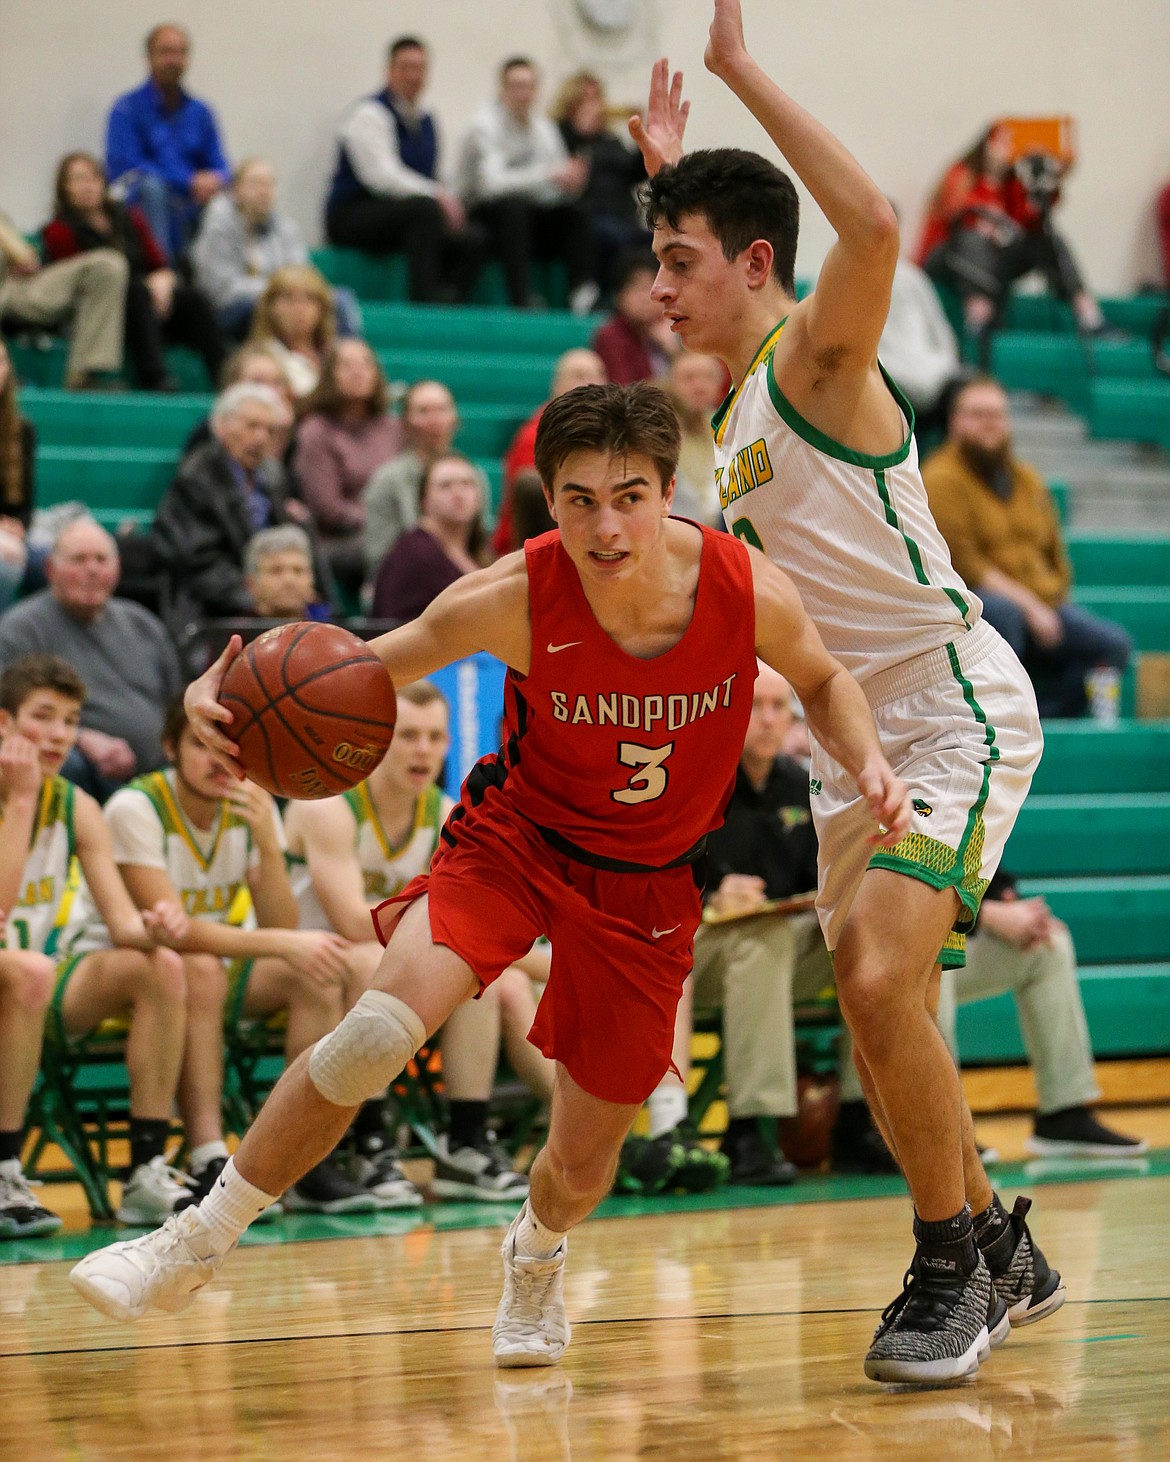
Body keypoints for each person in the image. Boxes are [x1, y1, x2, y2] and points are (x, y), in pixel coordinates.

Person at [69, 380, 913, 1372]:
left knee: (585, 1157)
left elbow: (824, 679)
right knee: (376, 1029)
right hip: (515, 842)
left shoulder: (743, 588)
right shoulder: (511, 594)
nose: (606, 524)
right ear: (546, 500)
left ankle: (536, 1252)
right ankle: (193, 1238)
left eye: (630, 495)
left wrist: (867, 762)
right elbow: (356, 670)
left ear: (669, 491)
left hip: (644, 883)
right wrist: (235, 695)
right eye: (580, 499)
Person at [631, 0, 1060, 1384]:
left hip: (945, 702)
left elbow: (872, 224)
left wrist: (741, 71)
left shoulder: (817, 356)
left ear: (755, 265)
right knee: (885, 1013)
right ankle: (1000, 1244)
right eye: (652, 262)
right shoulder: (737, 408)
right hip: (845, 736)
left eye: (678, 262)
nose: (657, 289)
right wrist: (661, 183)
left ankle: (949, 1264)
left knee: (877, 971)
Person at [67, 694, 371, 1214]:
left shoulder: (250, 806)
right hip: (114, 966)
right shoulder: (134, 807)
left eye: (233, 750)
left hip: (201, 969)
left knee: (316, 973)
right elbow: (174, 934)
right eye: (202, 745)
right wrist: (283, 943)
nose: (220, 761)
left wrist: (268, 846)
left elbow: (280, 923)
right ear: (169, 748)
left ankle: (303, 1158)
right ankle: (210, 1153)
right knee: (201, 967)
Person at [283, 680, 548, 1204]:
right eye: (407, 736)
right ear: (378, 741)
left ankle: (464, 1142)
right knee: (367, 959)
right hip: (303, 966)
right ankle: (373, 1142)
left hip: (372, 972)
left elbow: (468, 924)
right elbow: (356, 923)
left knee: (477, 975)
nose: (422, 750)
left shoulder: (447, 812)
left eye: (434, 737)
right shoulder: (330, 806)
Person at [669, 662, 897, 1184]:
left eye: (780, 707)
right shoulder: (695, 781)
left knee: (870, 936)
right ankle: (749, 1127)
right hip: (693, 956)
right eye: (755, 707)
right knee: (761, 937)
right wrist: (708, 896)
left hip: (772, 953)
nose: (769, 720)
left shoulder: (801, 786)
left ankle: (864, 1118)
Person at [0, 655, 191, 1235]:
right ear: (5, 724)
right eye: (44, 717)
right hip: (23, 970)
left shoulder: (79, 806)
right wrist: (21, 803)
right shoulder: (30, 798)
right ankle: (6, 1167)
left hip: (35, 982)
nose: (59, 734)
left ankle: (143, 1172)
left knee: (160, 967)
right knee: (30, 971)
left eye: (70, 720)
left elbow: (119, 920)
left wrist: (154, 926)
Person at [922, 376, 1132, 719]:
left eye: (996, 414)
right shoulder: (940, 478)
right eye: (977, 414)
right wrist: (1032, 607)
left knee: (1112, 645)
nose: (989, 424)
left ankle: (1048, 715)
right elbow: (966, 564)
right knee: (1007, 615)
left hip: (1043, 604)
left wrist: (1053, 596)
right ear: (955, 420)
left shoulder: (1027, 479)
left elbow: (1055, 551)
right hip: (979, 605)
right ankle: (1007, 719)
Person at [937, 869, 1146, 1161]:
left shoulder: (975, 822)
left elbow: (977, 859)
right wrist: (983, 913)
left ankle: (1063, 1113)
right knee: (934, 961)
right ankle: (938, 1130)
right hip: (882, 946)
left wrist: (1004, 900)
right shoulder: (898, 823)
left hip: (950, 919)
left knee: (1049, 946)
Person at [0, 517, 183, 800]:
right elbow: (9, 718)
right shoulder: (19, 630)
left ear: (117, 568)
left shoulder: (144, 624)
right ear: (51, 569)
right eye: (79, 560)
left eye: (101, 560)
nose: (92, 570)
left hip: (160, 772)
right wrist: (82, 738)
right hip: (80, 773)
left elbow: (178, 704)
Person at [915, 124, 1106, 360]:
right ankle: (979, 320)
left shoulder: (1012, 184)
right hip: (949, 257)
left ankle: (1089, 315)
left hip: (993, 262)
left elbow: (1030, 223)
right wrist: (989, 193)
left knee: (1045, 239)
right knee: (972, 238)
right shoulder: (962, 174)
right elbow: (957, 215)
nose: (1006, 150)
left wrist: (1052, 178)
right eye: (1001, 142)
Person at [43, 152, 225, 392]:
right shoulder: (57, 231)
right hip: (103, 316)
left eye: (92, 178)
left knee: (193, 300)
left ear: (103, 182)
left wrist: (163, 279)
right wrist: (146, 287)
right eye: (78, 179)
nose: (87, 186)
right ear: (64, 188)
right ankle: (155, 379)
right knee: (136, 292)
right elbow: (76, 284)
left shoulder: (128, 216)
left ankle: (225, 379)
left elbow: (158, 263)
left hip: (148, 304)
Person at [151, 383, 331, 624]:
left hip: (268, 598)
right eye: (252, 426)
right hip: (215, 610)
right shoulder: (196, 478)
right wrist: (254, 597)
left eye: (269, 430)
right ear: (222, 427)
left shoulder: (273, 475)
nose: (260, 437)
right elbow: (195, 560)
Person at [325, 36, 484, 304]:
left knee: (475, 235)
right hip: (353, 215)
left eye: (420, 68)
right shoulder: (369, 113)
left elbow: (431, 176)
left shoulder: (426, 121)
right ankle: (423, 299)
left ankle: (451, 298)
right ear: (389, 70)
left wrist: (450, 199)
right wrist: (438, 196)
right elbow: (381, 178)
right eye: (406, 67)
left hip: (403, 218)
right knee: (425, 210)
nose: (413, 75)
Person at [458, 58, 597, 313]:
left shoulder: (543, 128)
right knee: (513, 208)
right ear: (502, 89)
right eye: (517, 86)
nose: (524, 94)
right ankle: (521, 299)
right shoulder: (483, 125)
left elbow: (553, 184)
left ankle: (583, 296)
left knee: (575, 213)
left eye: (530, 86)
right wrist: (550, 175)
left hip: (527, 216)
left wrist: (571, 182)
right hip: (480, 214)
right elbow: (492, 185)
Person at [193, 158, 361, 340]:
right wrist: (276, 291)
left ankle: (339, 362)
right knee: (269, 309)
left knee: (340, 300)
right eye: (256, 183)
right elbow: (221, 289)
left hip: (279, 299)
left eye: (269, 184)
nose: (263, 191)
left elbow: (301, 275)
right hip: (230, 310)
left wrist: (289, 294)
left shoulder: (286, 228)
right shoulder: (218, 224)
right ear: (236, 191)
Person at [105, 23, 230, 262]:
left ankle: (216, 284)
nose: (174, 59)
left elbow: (221, 165)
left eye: (180, 52)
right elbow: (128, 169)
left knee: (233, 193)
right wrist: (188, 181)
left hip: (192, 205)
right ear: (149, 57)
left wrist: (215, 180)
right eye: (166, 52)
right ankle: (164, 274)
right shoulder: (126, 109)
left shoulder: (201, 112)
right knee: (152, 188)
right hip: (147, 205)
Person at [294, 340, 402, 598]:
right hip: (339, 541)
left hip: (392, 530)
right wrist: (381, 521)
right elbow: (327, 508)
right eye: (346, 365)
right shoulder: (316, 431)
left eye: (366, 364)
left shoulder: (393, 427)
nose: (358, 372)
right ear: (330, 375)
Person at [491, 348, 607, 555]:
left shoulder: (610, 435)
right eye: (580, 375)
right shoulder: (535, 437)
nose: (591, 383)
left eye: (598, 374)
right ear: (557, 385)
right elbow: (531, 513)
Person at [0, 209, 127, 389]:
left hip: (18, 285)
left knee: (107, 266)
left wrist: (27, 260)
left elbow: (23, 256)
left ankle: (87, 377)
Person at [552, 72, 650, 300]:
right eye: (586, 99)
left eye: (597, 98)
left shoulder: (610, 141)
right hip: (585, 215)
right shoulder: (558, 134)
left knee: (650, 240)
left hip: (622, 214)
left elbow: (637, 172)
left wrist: (641, 137)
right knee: (611, 237)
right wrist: (580, 134)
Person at [371, 452, 490, 621]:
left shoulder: (479, 551)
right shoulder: (412, 553)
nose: (458, 493)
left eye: (467, 484)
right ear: (423, 500)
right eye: (445, 485)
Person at [362, 378, 461, 577]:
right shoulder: (386, 480)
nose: (434, 420)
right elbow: (378, 557)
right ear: (405, 422)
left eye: (442, 409)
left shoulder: (470, 475)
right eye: (424, 411)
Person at [878, 245, 968, 448]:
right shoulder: (837, 275)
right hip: (878, 379)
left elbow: (941, 332)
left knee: (971, 394)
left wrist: (944, 367)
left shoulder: (913, 277)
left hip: (931, 374)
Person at [246, 265, 336, 400]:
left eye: (310, 298)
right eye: (288, 298)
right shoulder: (258, 358)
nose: (300, 308)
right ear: (270, 308)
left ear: (322, 308)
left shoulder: (335, 354)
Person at [0, 340, 43, 612]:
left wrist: (18, 526)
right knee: (5, 565)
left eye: (2, 361)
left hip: (10, 536)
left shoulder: (22, 430)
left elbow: (25, 507)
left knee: (58, 564)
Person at [590, 253, 678, 385]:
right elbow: (626, 392)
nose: (644, 298)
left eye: (650, 288)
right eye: (636, 288)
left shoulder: (672, 328)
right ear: (619, 296)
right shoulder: (610, 337)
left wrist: (674, 352)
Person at [665, 350, 727, 526]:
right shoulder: (659, 433)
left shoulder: (729, 424)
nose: (699, 387)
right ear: (671, 383)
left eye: (707, 377)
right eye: (689, 378)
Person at [243, 525, 326, 622]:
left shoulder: (332, 632)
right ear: (250, 583)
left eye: (298, 570)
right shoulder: (234, 634)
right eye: (276, 570)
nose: (289, 580)